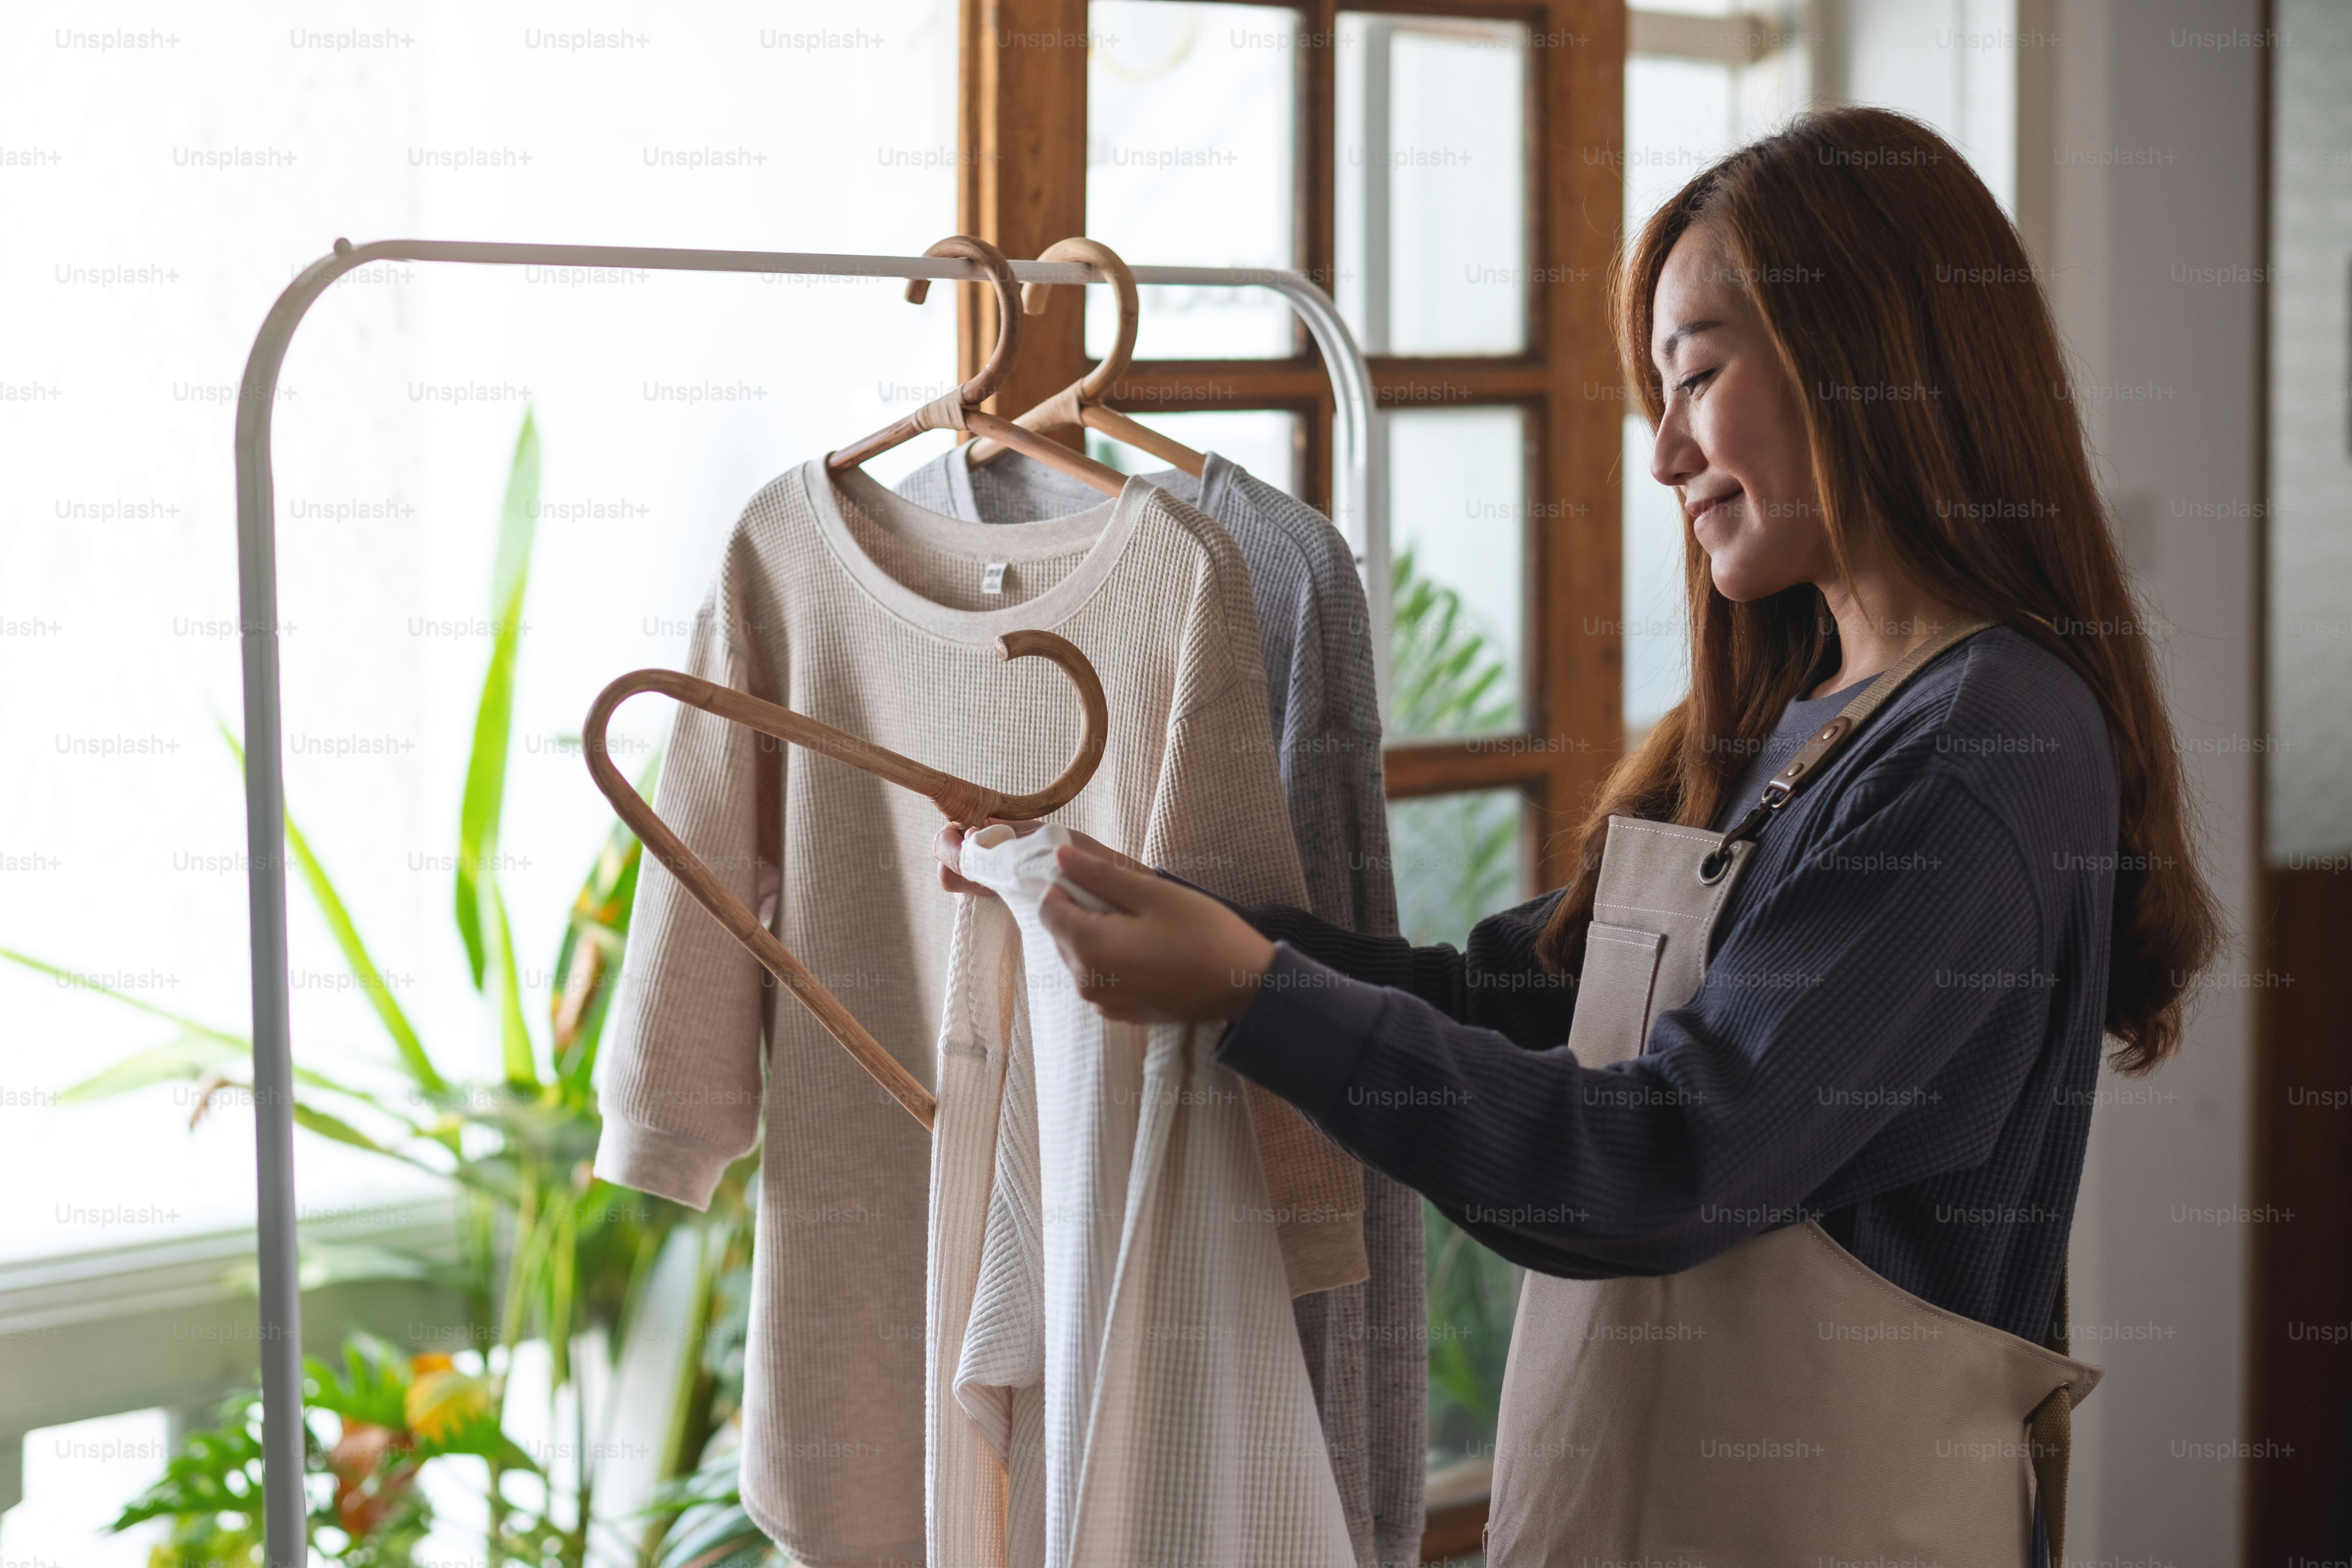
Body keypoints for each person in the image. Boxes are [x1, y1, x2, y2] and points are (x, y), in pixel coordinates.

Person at [938, 106, 2218, 1567]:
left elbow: (1662, 1159)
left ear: (1863, 355)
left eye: (1697, 377)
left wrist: (1251, 994)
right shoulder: (1808, 723)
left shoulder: (1988, 747)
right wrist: (1157, 912)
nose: (1665, 452)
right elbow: (1515, 999)